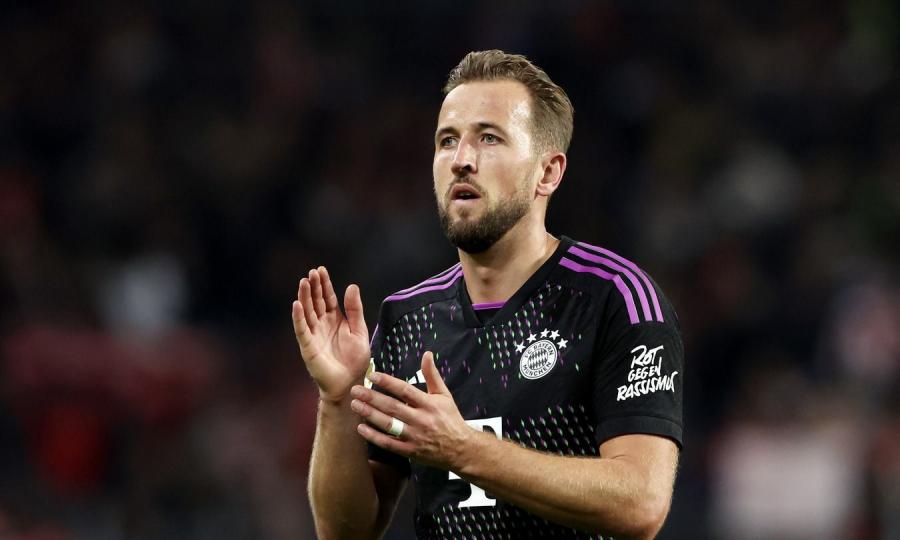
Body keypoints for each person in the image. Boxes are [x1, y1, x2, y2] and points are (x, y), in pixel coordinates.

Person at [292, 50, 683, 540]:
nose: (461, 160)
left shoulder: (614, 298)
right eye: (447, 140)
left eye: (489, 138)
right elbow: (345, 531)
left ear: (547, 173)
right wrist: (336, 400)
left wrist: (463, 449)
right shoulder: (407, 319)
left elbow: (640, 503)